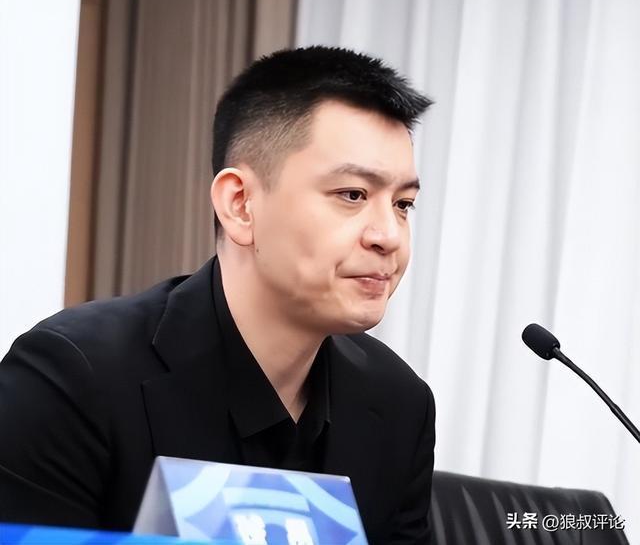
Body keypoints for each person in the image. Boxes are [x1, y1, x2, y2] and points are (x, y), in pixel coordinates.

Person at [0, 46, 435, 543]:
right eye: (352, 195)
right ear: (240, 204)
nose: (389, 236)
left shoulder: (400, 405)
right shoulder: (74, 378)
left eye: (403, 204)